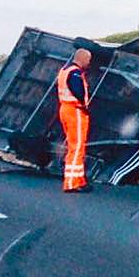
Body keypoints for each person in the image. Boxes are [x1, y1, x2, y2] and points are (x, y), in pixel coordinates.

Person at [57, 48, 93, 193]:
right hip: (75, 111)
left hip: (66, 109)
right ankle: (72, 182)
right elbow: (78, 92)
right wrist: (85, 107)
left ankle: (78, 180)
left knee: (75, 146)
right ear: (82, 58)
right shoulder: (75, 73)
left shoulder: (65, 70)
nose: (89, 63)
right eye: (88, 60)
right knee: (77, 147)